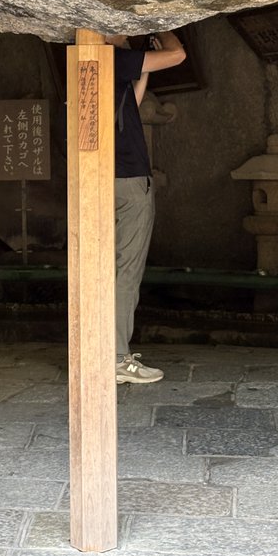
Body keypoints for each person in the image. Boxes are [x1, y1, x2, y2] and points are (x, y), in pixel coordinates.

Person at [107, 30, 186, 384]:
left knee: (110, 268)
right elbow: (178, 55)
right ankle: (116, 358)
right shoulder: (114, 57)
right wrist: (163, 26)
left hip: (107, 179)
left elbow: (131, 104)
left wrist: (144, 65)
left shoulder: (97, 64)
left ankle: (105, 352)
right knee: (126, 269)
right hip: (129, 180)